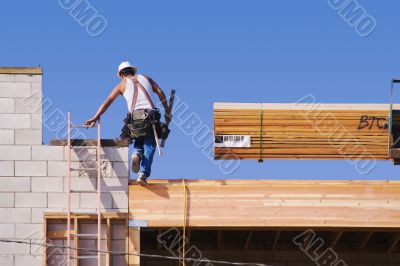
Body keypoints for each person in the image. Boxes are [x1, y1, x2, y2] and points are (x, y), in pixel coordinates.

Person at [84, 61, 170, 185]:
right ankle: (143, 174)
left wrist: (95, 116)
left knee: (138, 137)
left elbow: (108, 101)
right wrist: (167, 109)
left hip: (134, 120)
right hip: (150, 118)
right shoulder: (146, 78)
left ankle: (136, 154)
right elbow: (160, 92)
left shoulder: (121, 85)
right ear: (133, 71)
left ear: (121, 74)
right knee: (150, 145)